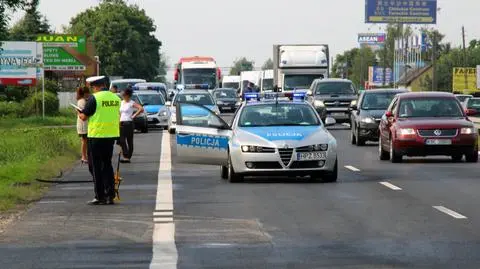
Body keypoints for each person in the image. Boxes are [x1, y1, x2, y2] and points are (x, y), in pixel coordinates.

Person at [78, 76, 121, 205]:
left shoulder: (94, 98)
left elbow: (84, 117)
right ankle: (110, 195)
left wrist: (79, 113)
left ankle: (100, 196)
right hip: (110, 136)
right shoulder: (115, 98)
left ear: (96, 86)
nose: (92, 90)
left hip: (96, 136)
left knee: (95, 167)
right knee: (107, 164)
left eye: (92, 87)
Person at [119, 88, 144, 163]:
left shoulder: (131, 103)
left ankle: (127, 157)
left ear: (128, 95)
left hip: (129, 123)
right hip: (122, 122)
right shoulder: (121, 102)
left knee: (129, 140)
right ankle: (125, 155)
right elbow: (120, 112)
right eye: (122, 95)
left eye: (124, 95)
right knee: (121, 140)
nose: (123, 96)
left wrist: (133, 116)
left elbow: (141, 108)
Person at [76, 86, 90, 163]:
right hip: (83, 124)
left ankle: (85, 156)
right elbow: (83, 112)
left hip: (85, 123)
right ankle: (83, 157)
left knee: (85, 141)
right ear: (85, 93)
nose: (89, 94)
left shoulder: (84, 100)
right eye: (88, 92)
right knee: (84, 141)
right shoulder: (82, 101)